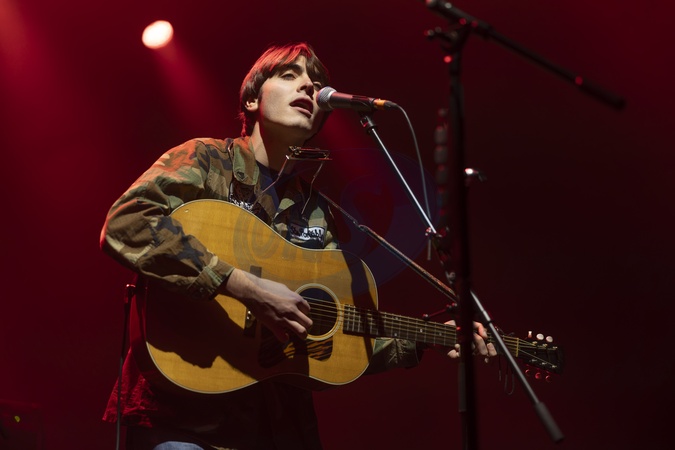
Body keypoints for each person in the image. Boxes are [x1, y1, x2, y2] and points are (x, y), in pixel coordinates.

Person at [100, 42, 496, 450]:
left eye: (317, 82)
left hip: (277, 428)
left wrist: (427, 337)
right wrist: (244, 286)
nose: (309, 86)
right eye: (290, 75)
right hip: (182, 418)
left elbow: (335, 337)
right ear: (252, 99)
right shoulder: (206, 160)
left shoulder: (316, 211)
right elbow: (129, 222)